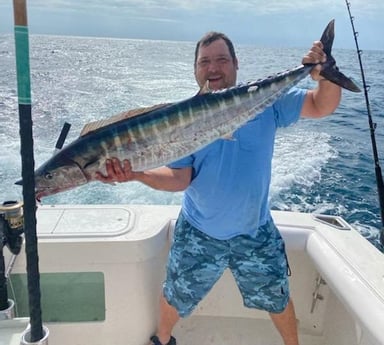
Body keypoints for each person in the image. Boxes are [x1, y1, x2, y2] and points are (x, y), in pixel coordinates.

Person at [95, 31, 341, 345]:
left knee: (277, 299)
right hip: (198, 229)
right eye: (205, 61)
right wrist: (137, 175)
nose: (213, 68)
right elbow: (179, 178)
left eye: (222, 59)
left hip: (255, 230)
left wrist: (325, 74)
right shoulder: (181, 121)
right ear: (195, 69)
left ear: (236, 64)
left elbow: (322, 106)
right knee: (175, 294)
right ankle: (163, 338)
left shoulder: (265, 101)